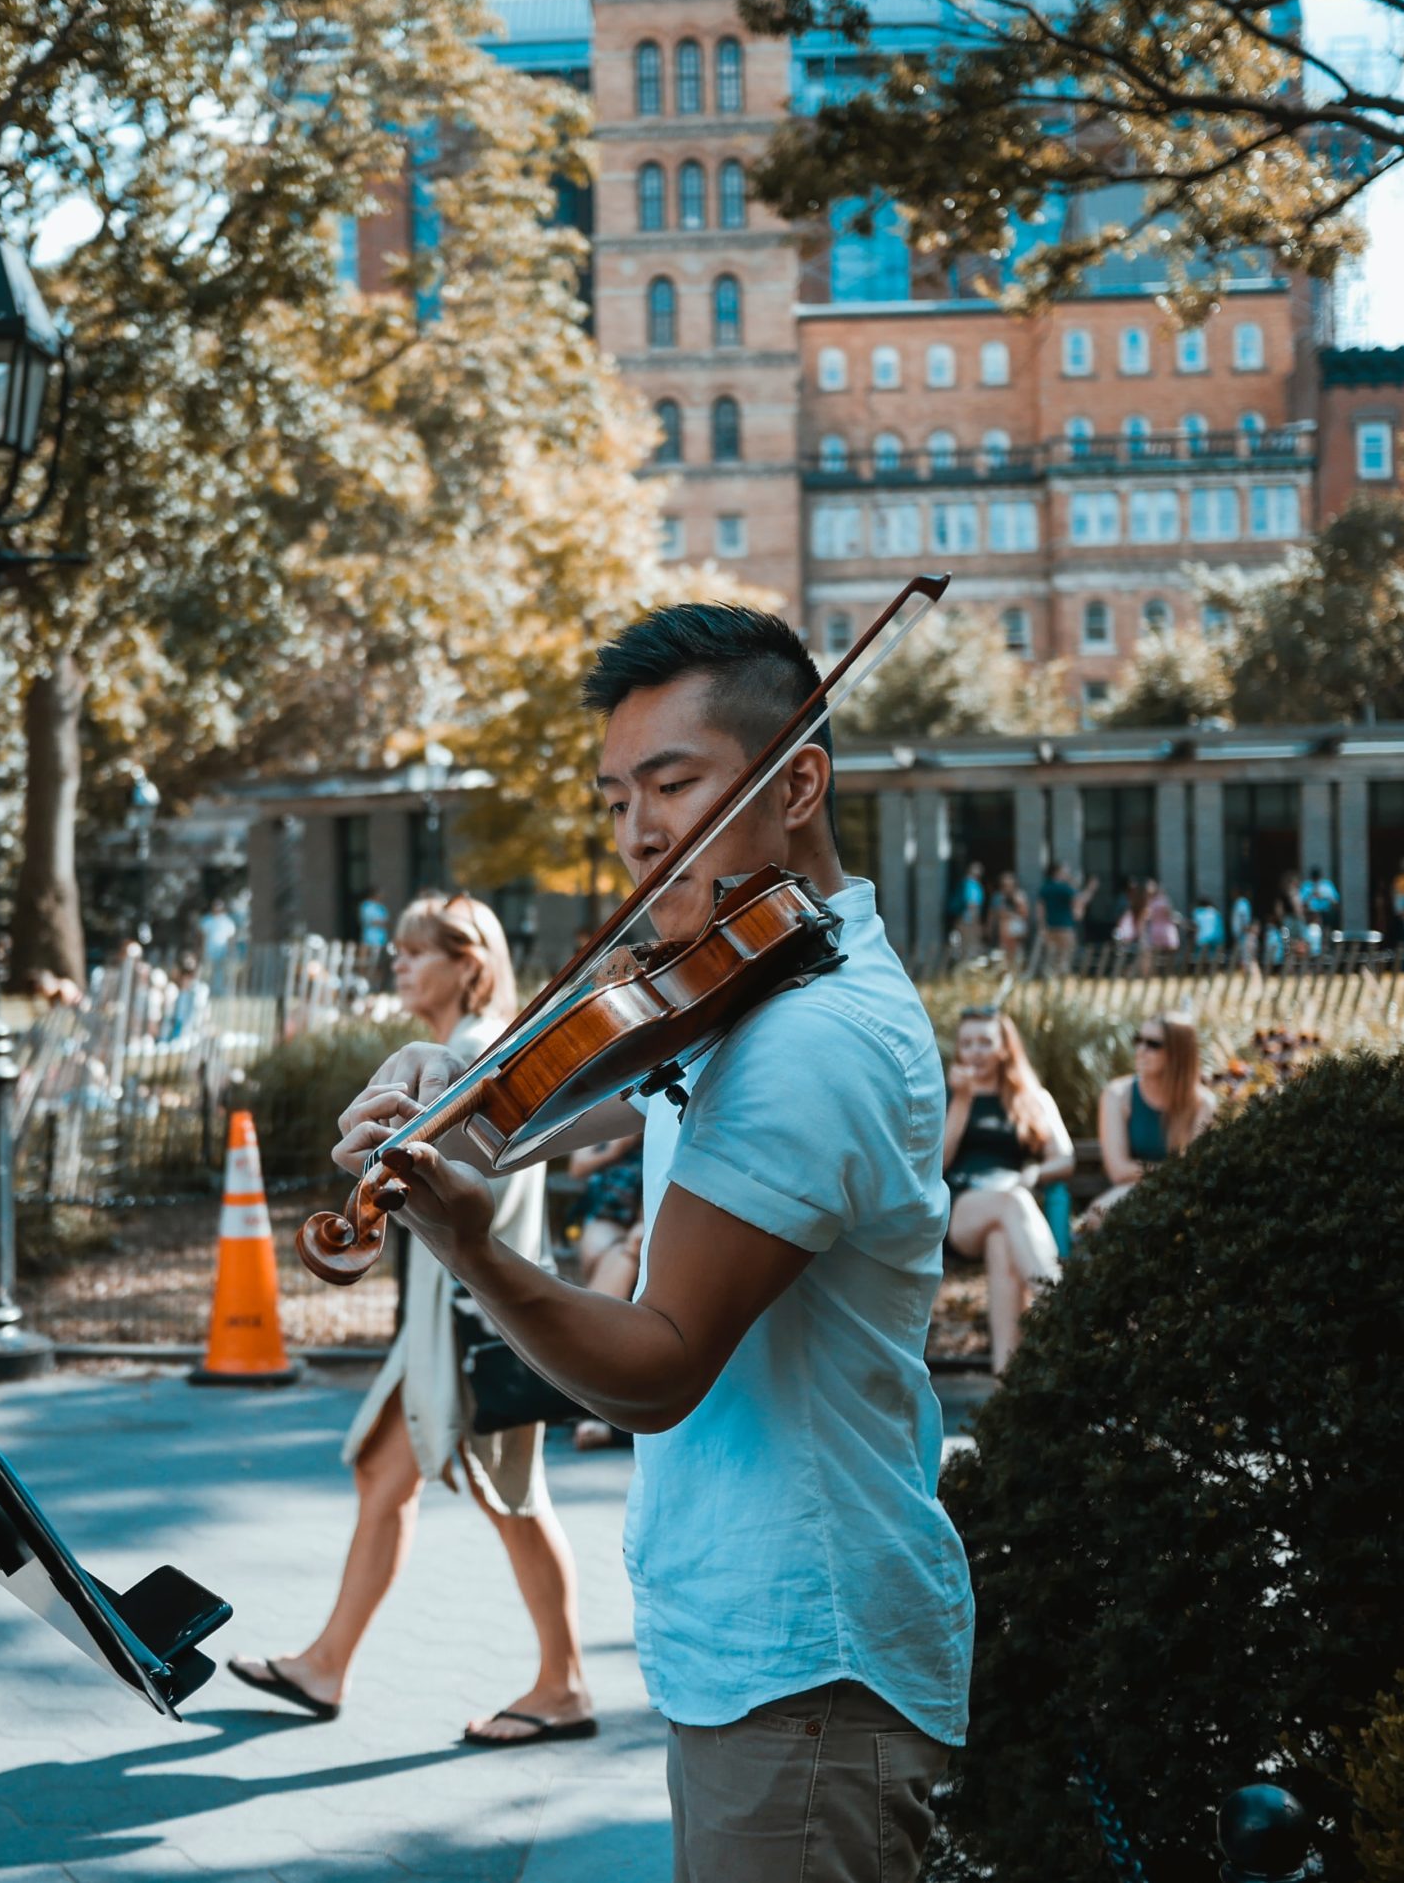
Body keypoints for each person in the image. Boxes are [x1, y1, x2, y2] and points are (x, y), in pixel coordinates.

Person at [323, 604, 967, 1875]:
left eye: (673, 784)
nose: (637, 834)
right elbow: (583, 1084)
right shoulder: (752, 977)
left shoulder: (810, 1036)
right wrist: (454, 1082)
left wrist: (472, 1245)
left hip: (805, 1667)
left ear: (797, 782)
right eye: (617, 797)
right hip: (760, 1653)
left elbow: (661, 1364)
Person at [227, 893, 591, 1749]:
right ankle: (326, 1663)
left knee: (512, 1496)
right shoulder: (456, 1052)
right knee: (385, 1478)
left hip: (475, 1323)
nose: (398, 964)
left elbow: (485, 1194)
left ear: (468, 963)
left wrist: (398, 1184)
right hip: (444, 1321)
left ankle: (566, 1685)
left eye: (415, 951)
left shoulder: (477, 1054)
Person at [941, 1006, 1069, 1374]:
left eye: (985, 1042)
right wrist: (963, 1101)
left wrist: (1030, 1175)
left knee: (1002, 1241)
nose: (975, 1051)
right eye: (967, 1043)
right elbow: (939, 1165)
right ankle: (1059, 1307)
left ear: (1004, 1048)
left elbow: (1065, 1159)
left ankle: (1007, 1382)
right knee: (1012, 1204)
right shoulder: (949, 1096)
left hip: (1009, 1213)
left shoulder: (1031, 1097)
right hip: (960, 1210)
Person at [1082, 1012, 1216, 1229]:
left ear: (1178, 1053)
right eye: (1138, 1040)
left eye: (1153, 1044)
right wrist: (1171, 1171)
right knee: (1100, 1213)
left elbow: (1195, 1173)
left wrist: (1161, 1172)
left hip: (1181, 1197)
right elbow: (1118, 1170)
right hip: (1129, 1192)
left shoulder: (1203, 1104)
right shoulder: (1117, 1095)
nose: (1141, 1050)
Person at [565, 1129, 645, 1448]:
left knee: (628, 1251)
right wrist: (615, 1148)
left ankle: (590, 1360)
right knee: (609, 1254)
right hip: (606, 1214)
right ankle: (592, 1355)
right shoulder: (605, 1120)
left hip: (644, 1220)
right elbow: (577, 1167)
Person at [1034, 862, 1081, 975]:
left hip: (1049, 927)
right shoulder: (1065, 888)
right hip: (1065, 926)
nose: (1068, 873)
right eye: (1065, 871)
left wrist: (1042, 926)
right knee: (1065, 955)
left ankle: (1052, 977)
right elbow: (1078, 901)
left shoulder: (1045, 887)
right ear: (1057, 872)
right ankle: (1061, 978)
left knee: (1052, 956)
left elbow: (1040, 909)